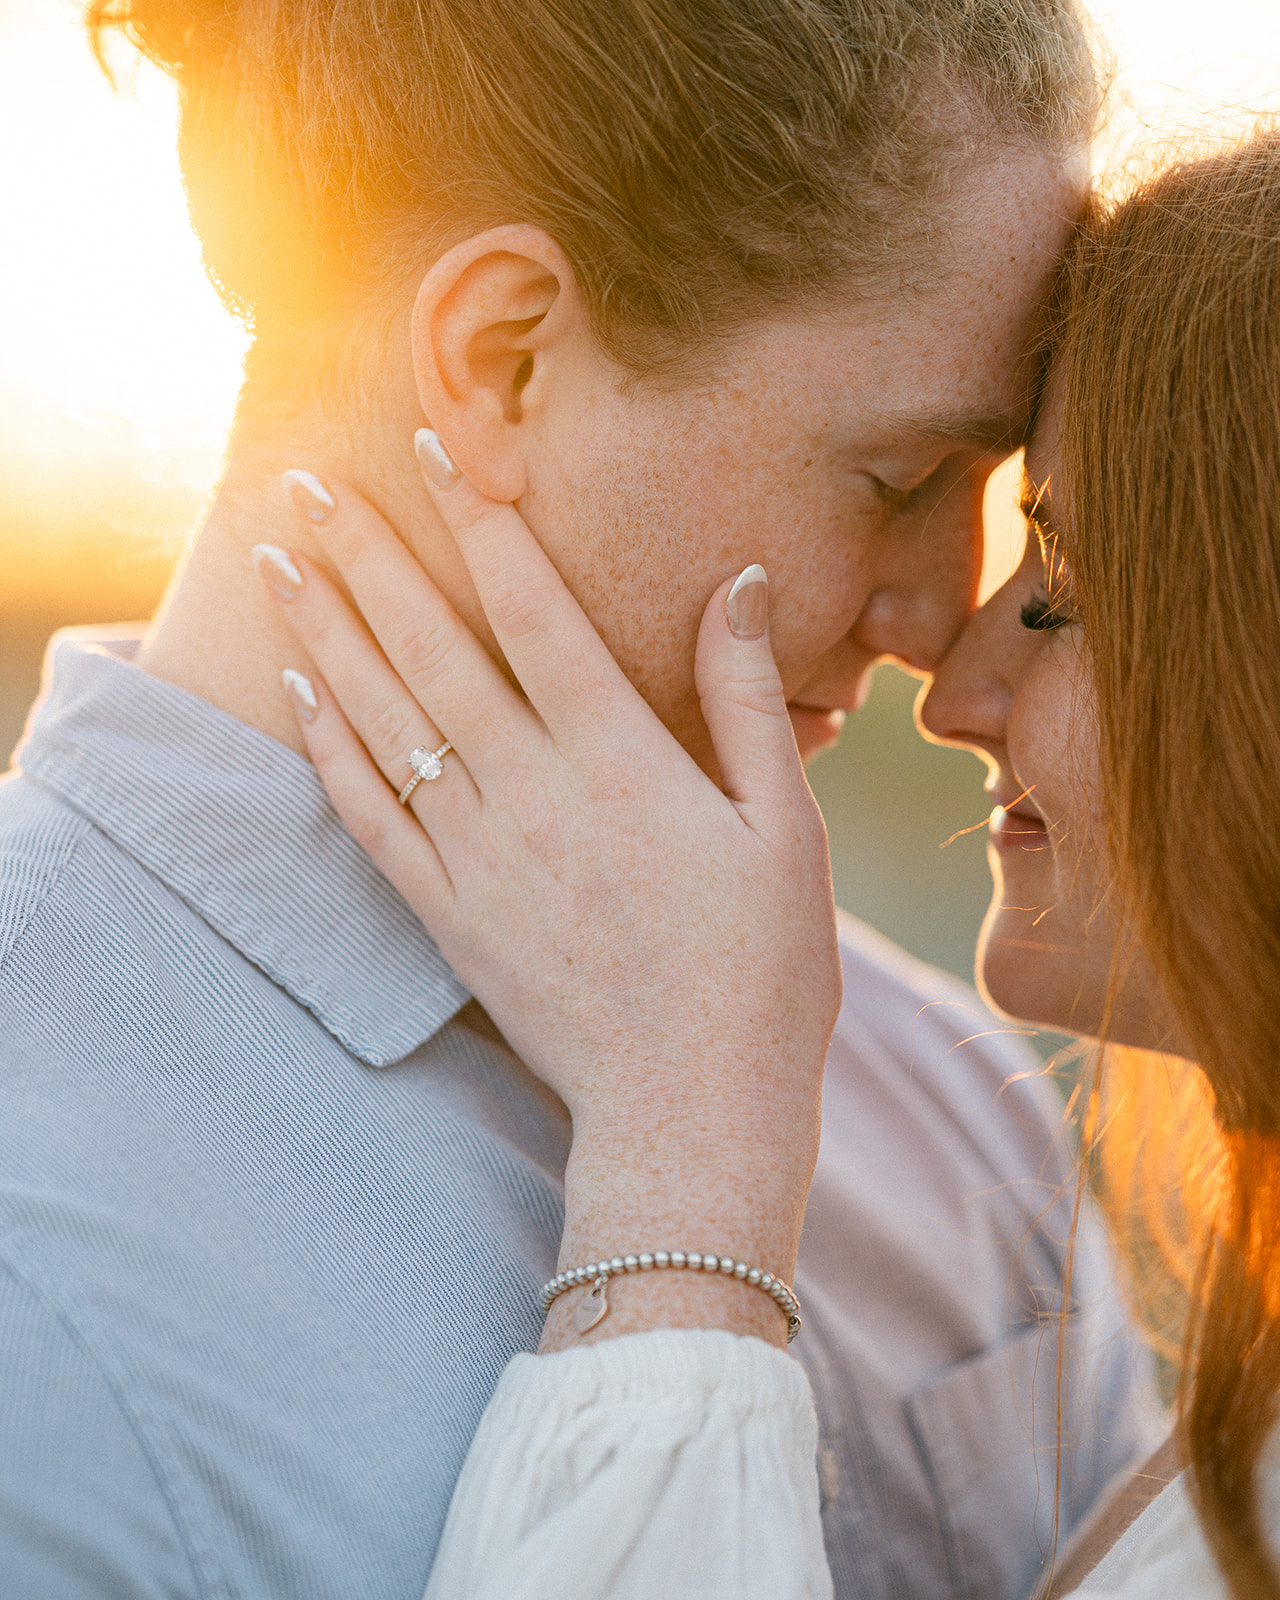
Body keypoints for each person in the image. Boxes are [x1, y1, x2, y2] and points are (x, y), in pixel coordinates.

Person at [0, 0, 1158, 1594]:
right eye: (893, 482)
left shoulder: (938, 1097)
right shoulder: (37, 1262)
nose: (938, 623)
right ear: (503, 357)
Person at [260, 127, 1280, 1597]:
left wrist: (684, 1200)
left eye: (1066, 590)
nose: (950, 677)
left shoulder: (942, 1112)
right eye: (895, 475)